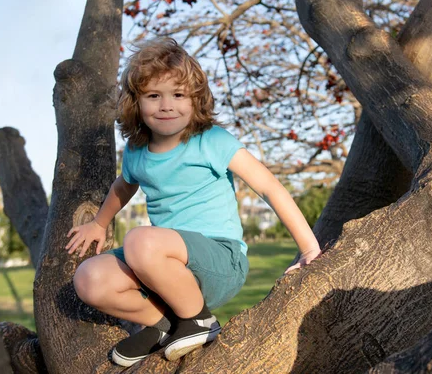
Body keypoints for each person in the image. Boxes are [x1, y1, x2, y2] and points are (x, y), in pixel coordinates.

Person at [65, 37, 321, 367]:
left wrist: (309, 248)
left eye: (178, 95)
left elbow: (270, 188)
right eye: (154, 96)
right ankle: (163, 324)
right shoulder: (137, 151)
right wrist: (99, 223)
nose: (166, 105)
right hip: (161, 268)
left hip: (220, 261)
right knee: (89, 278)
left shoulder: (210, 140)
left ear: (195, 99)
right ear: (136, 103)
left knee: (140, 241)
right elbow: (123, 186)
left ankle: (200, 321)